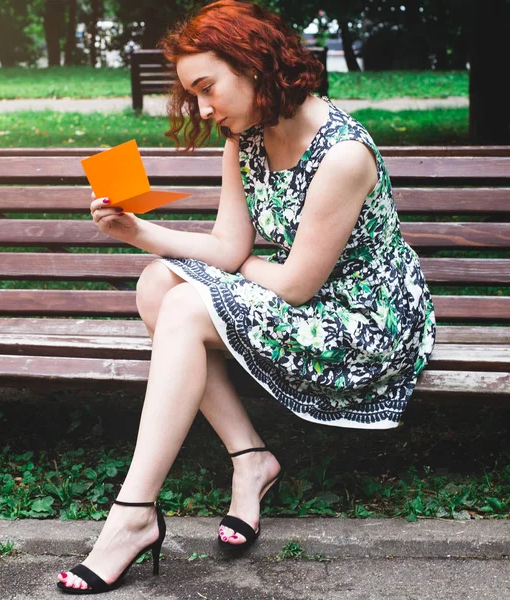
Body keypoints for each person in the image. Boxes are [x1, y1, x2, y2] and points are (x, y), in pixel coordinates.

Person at [57, 0, 436, 594]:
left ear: (254, 63)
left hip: (364, 322)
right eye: (194, 95)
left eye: (208, 88)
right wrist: (137, 232)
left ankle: (132, 514)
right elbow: (229, 246)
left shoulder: (342, 154)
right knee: (158, 281)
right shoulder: (248, 138)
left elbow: (292, 283)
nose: (204, 110)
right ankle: (250, 458)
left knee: (184, 302)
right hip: (303, 298)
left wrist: (234, 269)